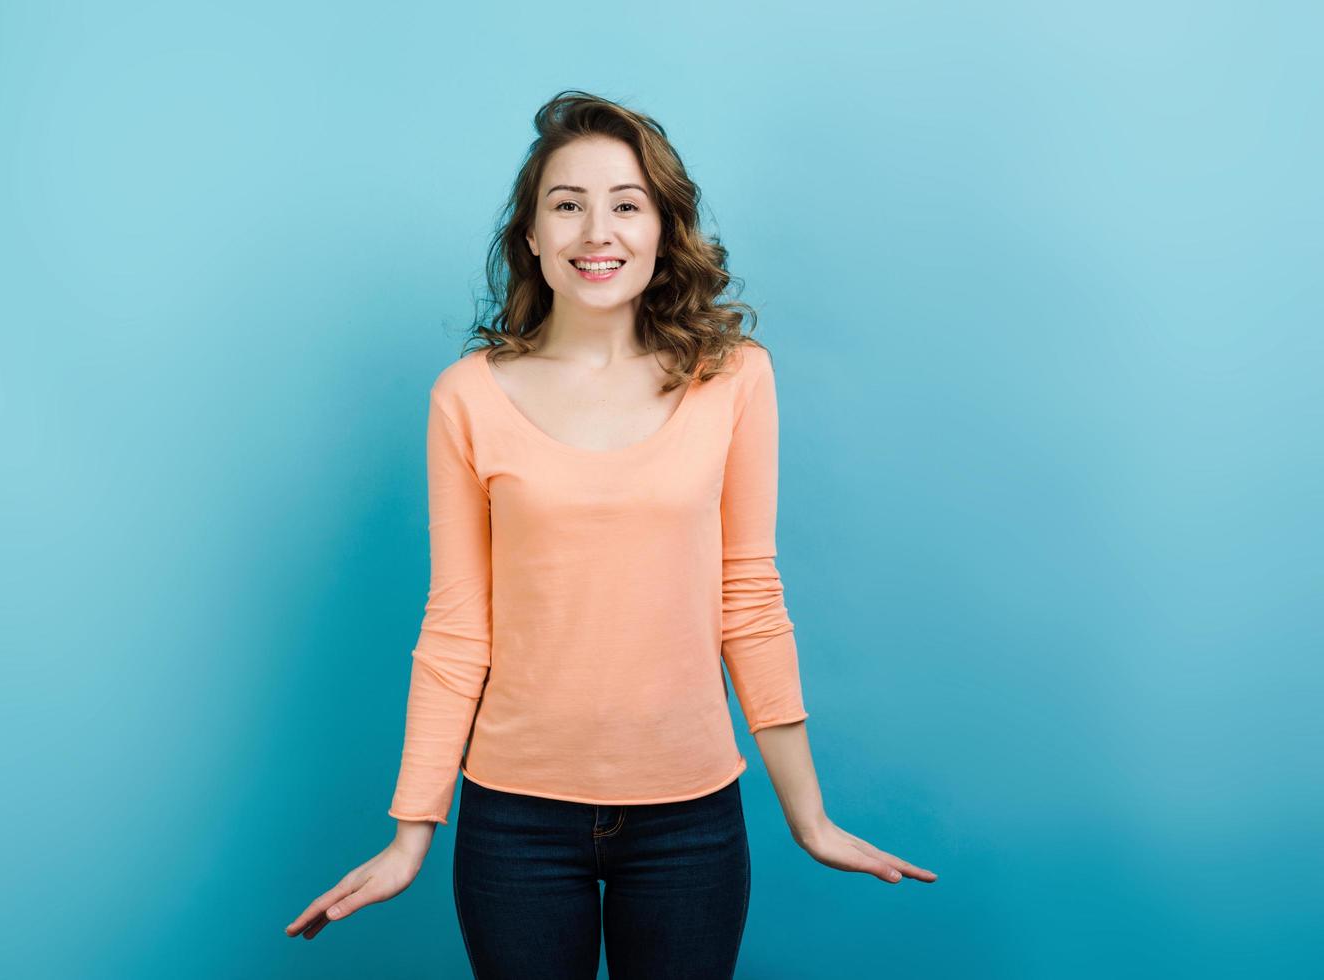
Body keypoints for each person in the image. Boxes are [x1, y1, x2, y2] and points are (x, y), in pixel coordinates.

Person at [286, 89, 937, 976]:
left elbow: (747, 600)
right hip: (512, 820)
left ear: (663, 230)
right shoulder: (466, 398)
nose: (598, 231)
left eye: (626, 205)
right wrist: (410, 836)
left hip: (690, 818)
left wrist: (808, 818)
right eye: (568, 205)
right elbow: (454, 626)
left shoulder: (733, 380)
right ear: (531, 237)